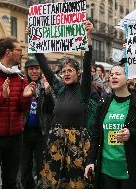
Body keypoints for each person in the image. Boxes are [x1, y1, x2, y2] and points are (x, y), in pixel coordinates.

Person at [34, 21, 97, 188]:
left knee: (76, 180)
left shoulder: (84, 90)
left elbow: (87, 60)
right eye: (64, 71)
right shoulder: (59, 88)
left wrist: (88, 38)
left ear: (78, 73)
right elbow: (45, 67)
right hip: (56, 138)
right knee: (51, 179)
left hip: (77, 140)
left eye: (70, 70)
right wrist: (32, 38)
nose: (66, 73)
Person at [84, 65, 136, 189]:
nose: (113, 77)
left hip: (132, 170)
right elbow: (96, 135)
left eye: (118, 74)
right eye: (111, 74)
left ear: (128, 79)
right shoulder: (103, 103)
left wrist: (131, 134)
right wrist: (90, 161)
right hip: (106, 170)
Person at [0, 37, 36, 189]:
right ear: (8, 52)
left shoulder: (20, 76)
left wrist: (26, 97)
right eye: (19, 51)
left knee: (10, 182)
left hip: (15, 138)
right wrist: (2, 97)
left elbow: (22, 109)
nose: (21, 54)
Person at [21, 58, 54, 189]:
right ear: (27, 71)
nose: (34, 71)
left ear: (40, 70)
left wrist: (47, 93)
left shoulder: (45, 85)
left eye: (37, 68)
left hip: (41, 133)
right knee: (24, 167)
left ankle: (41, 186)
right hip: (24, 133)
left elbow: (51, 109)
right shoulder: (22, 85)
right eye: (31, 69)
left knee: (41, 166)